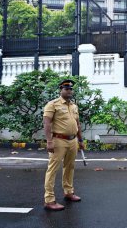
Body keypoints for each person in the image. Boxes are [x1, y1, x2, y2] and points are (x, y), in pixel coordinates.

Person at [43, 79, 85, 211]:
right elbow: (47, 123)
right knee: (53, 169)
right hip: (58, 140)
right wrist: (49, 141)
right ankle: (49, 200)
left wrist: (80, 140)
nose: (69, 90)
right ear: (60, 90)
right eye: (66, 88)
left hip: (72, 141)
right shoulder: (52, 104)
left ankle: (68, 192)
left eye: (71, 88)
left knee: (69, 167)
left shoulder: (74, 106)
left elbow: (77, 124)